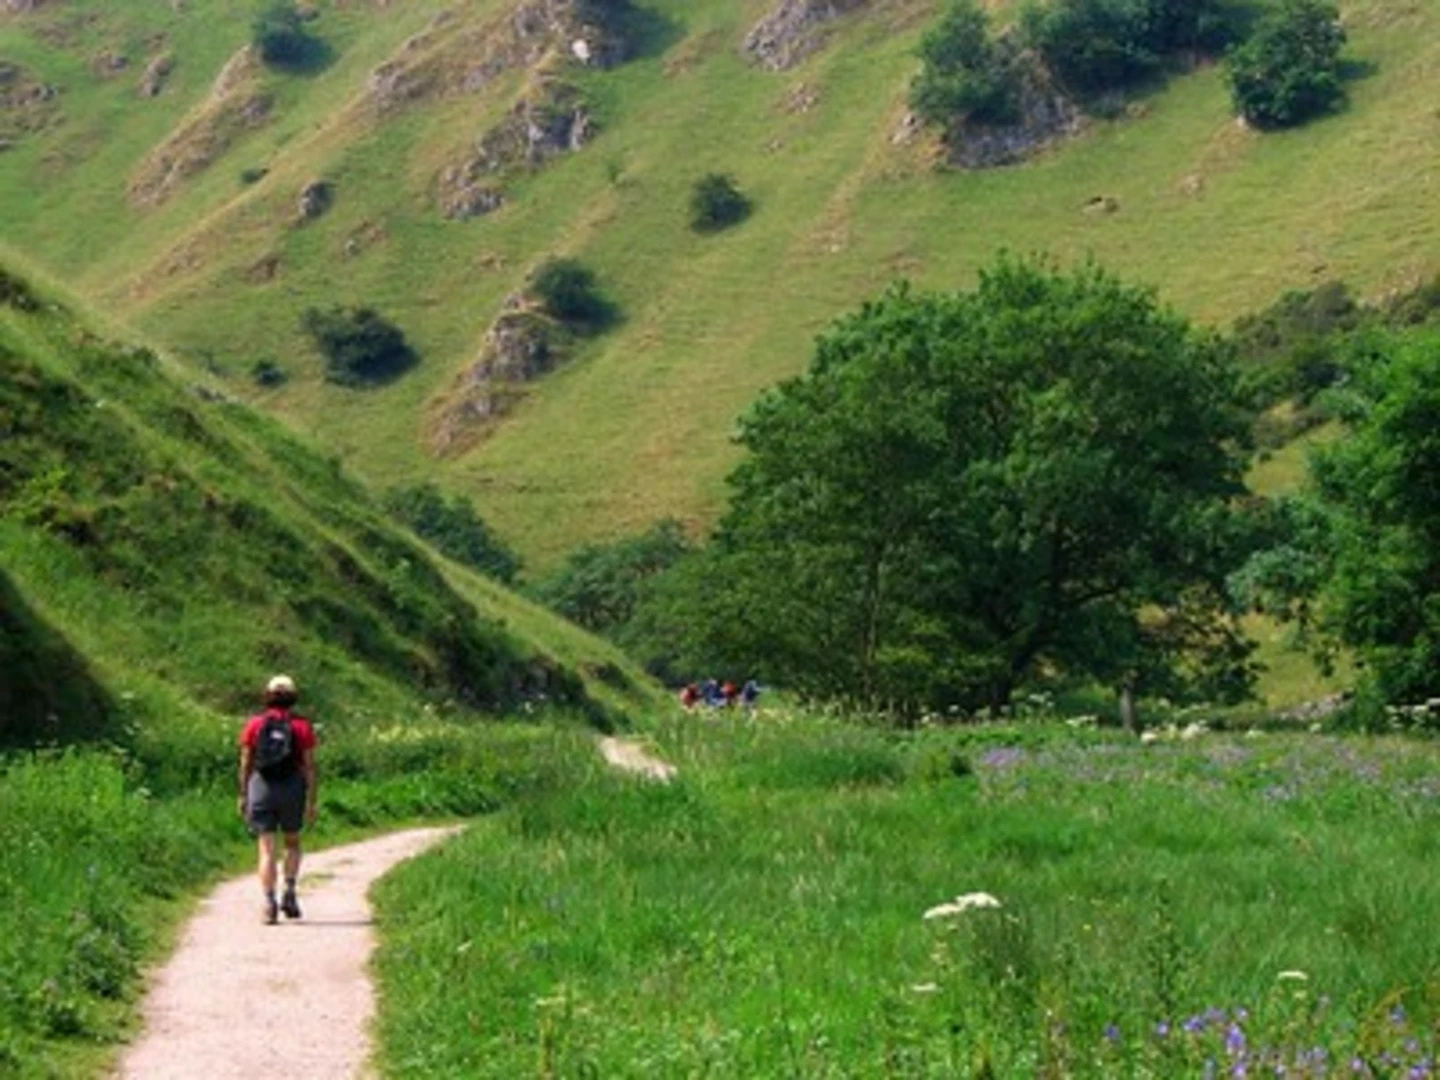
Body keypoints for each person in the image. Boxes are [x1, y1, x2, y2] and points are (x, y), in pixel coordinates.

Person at [238, 674, 318, 925]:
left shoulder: (255, 725)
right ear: (293, 697)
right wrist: (311, 800)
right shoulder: (302, 727)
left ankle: (269, 902)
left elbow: (246, 763)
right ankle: (290, 891)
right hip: (292, 787)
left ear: (267, 696)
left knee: (266, 847)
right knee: (292, 842)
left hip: (261, 785)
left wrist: (243, 793)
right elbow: (309, 767)